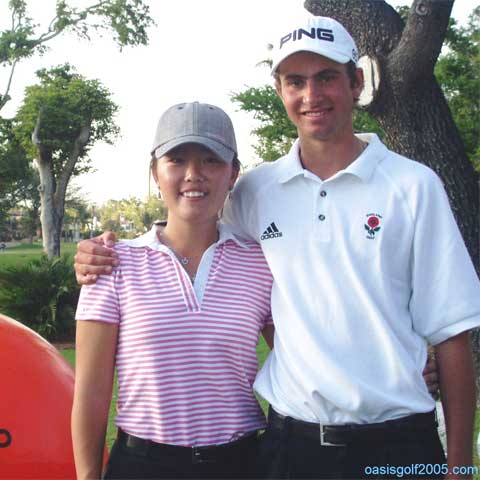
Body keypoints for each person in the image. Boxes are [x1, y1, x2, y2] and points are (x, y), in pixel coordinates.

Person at [74, 14, 480, 480]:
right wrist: (100, 253)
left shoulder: (413, 186)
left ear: (356, 82)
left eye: (326, 77)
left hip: (400, 442)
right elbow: (191, 221)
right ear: (280, 89)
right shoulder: (257, 191)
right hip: (293, 446)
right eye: (295, 81)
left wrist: (460, 468)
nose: (312, 95)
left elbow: (452, 332)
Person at [71, 102, 275, 479]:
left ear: (233, 174)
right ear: (155, 172)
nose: (193, 175)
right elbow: (92, 391)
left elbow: (304, 356)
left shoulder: (260, 263)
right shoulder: (112, 263)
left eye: (211, 160)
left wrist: (407, 366)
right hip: (144, 465)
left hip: (241, 464)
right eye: (177, 160)